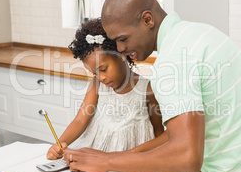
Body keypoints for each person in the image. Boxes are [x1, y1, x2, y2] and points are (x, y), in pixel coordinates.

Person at [63, 0, 241, 172]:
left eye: (123, 39)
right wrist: (113, 157)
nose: (120, 49)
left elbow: (186, 156)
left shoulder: (173, 61)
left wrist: (108, 162)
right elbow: (175, 136)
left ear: (147, 19)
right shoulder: (195, 33)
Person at [47, 18, 164, 159]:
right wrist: (60, 144)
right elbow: (80, 120)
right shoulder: (97, 85)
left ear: (121, 54)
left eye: (103, 69)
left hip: (131, 164)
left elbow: (159, 134)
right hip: (96, 160)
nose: (100, 77)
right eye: (95, 73)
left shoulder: (147, 90)